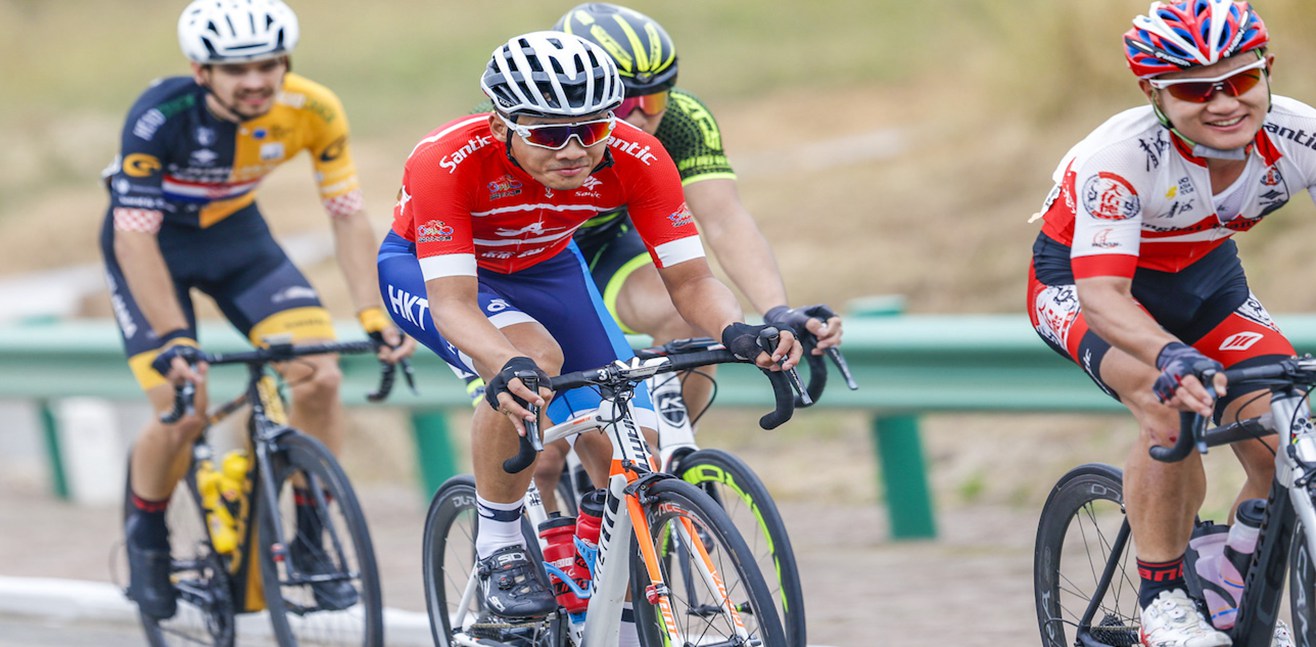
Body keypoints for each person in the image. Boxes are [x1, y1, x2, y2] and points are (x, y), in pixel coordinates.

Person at [376, 30, 800, 622]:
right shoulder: (445, 159)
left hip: (547, 266)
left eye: (593, 128)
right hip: (434, 272)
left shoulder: (638, 156)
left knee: (632, 447)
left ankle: (598, 584)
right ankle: (500, 546)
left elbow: (692, 282)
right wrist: (503, 364)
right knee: (532, 360)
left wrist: (737, 330)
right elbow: (454, 304)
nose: (574, 150)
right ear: (500, 126)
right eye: (550, 134)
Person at [104, 0, 412, 619]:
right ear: (201, 71)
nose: (255, 81)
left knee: (319, 375)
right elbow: (134, 237)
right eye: (235, 70)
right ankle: (147, 536)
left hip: (238, 241)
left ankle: (309, 535)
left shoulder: (314, 109)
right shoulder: (159, 116)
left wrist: (373, 313)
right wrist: (174, 336)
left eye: (268, 65)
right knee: (182, 409)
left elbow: (348, 215)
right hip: (151, 247)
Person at [472, 3, 839, 510]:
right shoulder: (535, 127)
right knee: (546, 458)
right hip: (516, 264)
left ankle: (664, 459)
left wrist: (776, 310)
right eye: (627, 98)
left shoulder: (683, 120)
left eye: (658, 96)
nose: (644, 114)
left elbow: (724, 219)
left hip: (604, 248)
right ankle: (532, 541)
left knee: (681, 318)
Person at [1026, 1, 1314, 645]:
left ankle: (1232, 579)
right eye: (1194, 90)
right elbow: (1103, 296)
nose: (1224, 104)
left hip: (1205, 280)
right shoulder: (1121, 156)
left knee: (1288, 433)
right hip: (1086, 284)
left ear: (1267, 70)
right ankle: (1163, 602)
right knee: (1170, 407)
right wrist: (1169, 356)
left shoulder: (1302, 137)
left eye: (1241, 80)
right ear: (1153, 93)